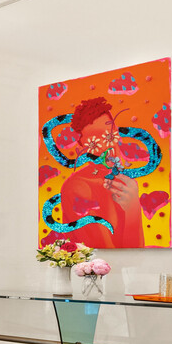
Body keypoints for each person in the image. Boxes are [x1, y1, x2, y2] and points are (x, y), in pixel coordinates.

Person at [56, 97, 143, 249]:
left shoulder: (122, 183)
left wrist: (133, 208)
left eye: (109, 134)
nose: (106, 145)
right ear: (82, 149)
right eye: (94, 140)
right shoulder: (79, 187)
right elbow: (103, 254)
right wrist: (133, 211)